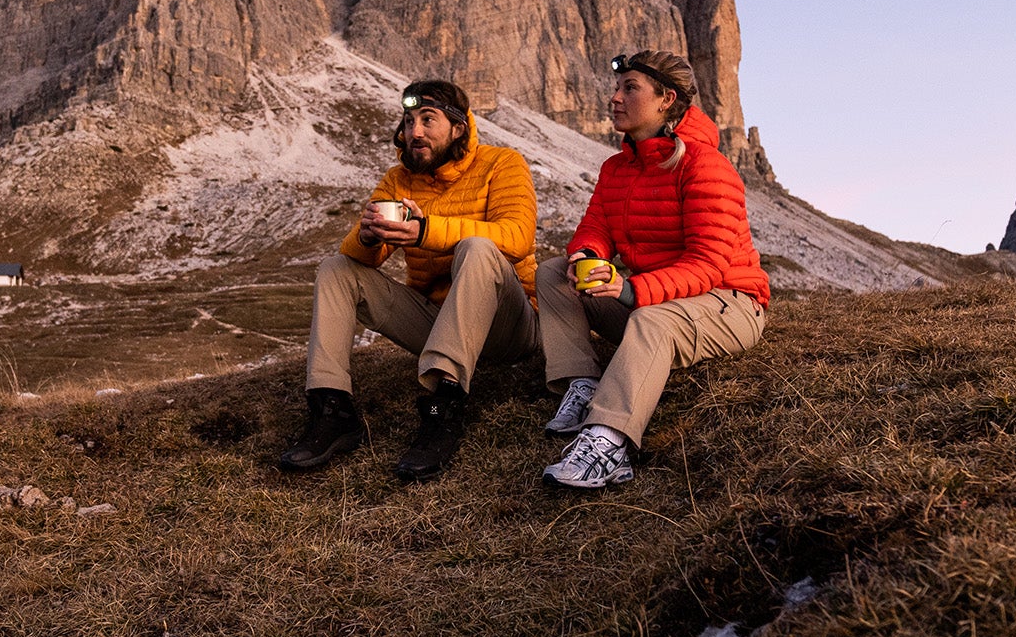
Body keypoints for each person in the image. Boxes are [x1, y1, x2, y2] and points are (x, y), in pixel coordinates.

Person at [281, 80, 539, 481]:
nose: (413, 132)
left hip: (508, 327)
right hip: (438, 322)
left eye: (427, 120)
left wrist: (426, 231)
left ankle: (443, 409)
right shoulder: (398, 179)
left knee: (478, 248)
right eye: (408, 120)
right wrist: (367, 236)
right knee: (337, 268)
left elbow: (518, 238)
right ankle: (332, 408)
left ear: (458, 128)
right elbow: (359, 257)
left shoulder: (502, 163)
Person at [537, 50, 770, 489]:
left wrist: (629, 291)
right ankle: (583, 384)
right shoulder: (617, 167)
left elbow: (710, 263)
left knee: (651, 318)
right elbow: (595, 226)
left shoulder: (705, 165)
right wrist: (587, 255)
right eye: (617, 87)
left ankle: (608, 442)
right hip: (655, 299)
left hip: (729, 302)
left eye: (630, 88)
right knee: (553, 272)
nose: (614, 98)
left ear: (666, 98)